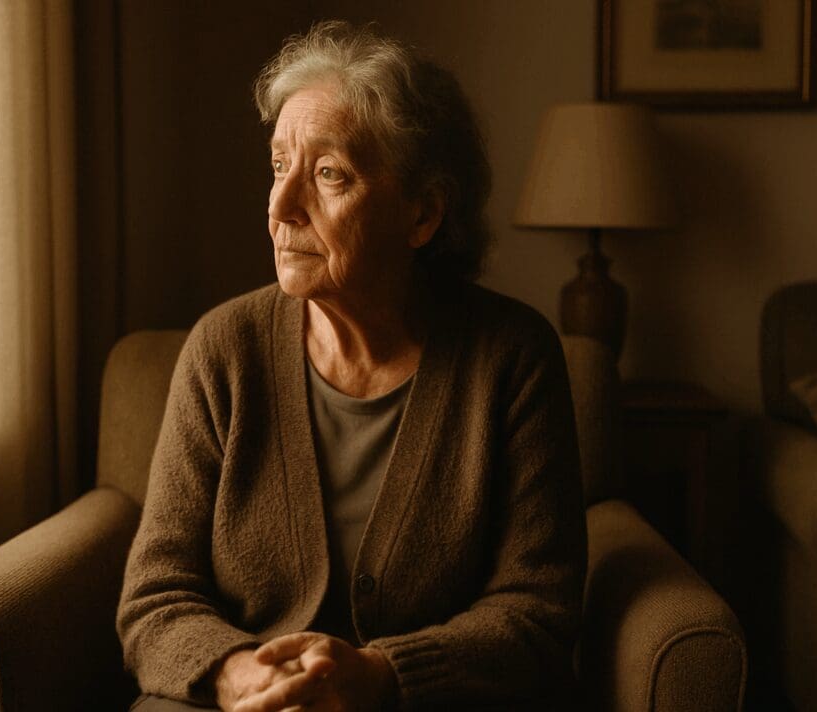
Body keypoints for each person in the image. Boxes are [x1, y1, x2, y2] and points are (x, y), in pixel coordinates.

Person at [117, 20, 586, 712]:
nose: (280, 208)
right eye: (279, 166)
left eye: (329, 174)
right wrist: (239, 674)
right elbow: (156, 594)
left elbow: (539, 610)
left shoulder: (511, 358)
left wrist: (381, 676)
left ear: (423, 215)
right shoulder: (225, 348)